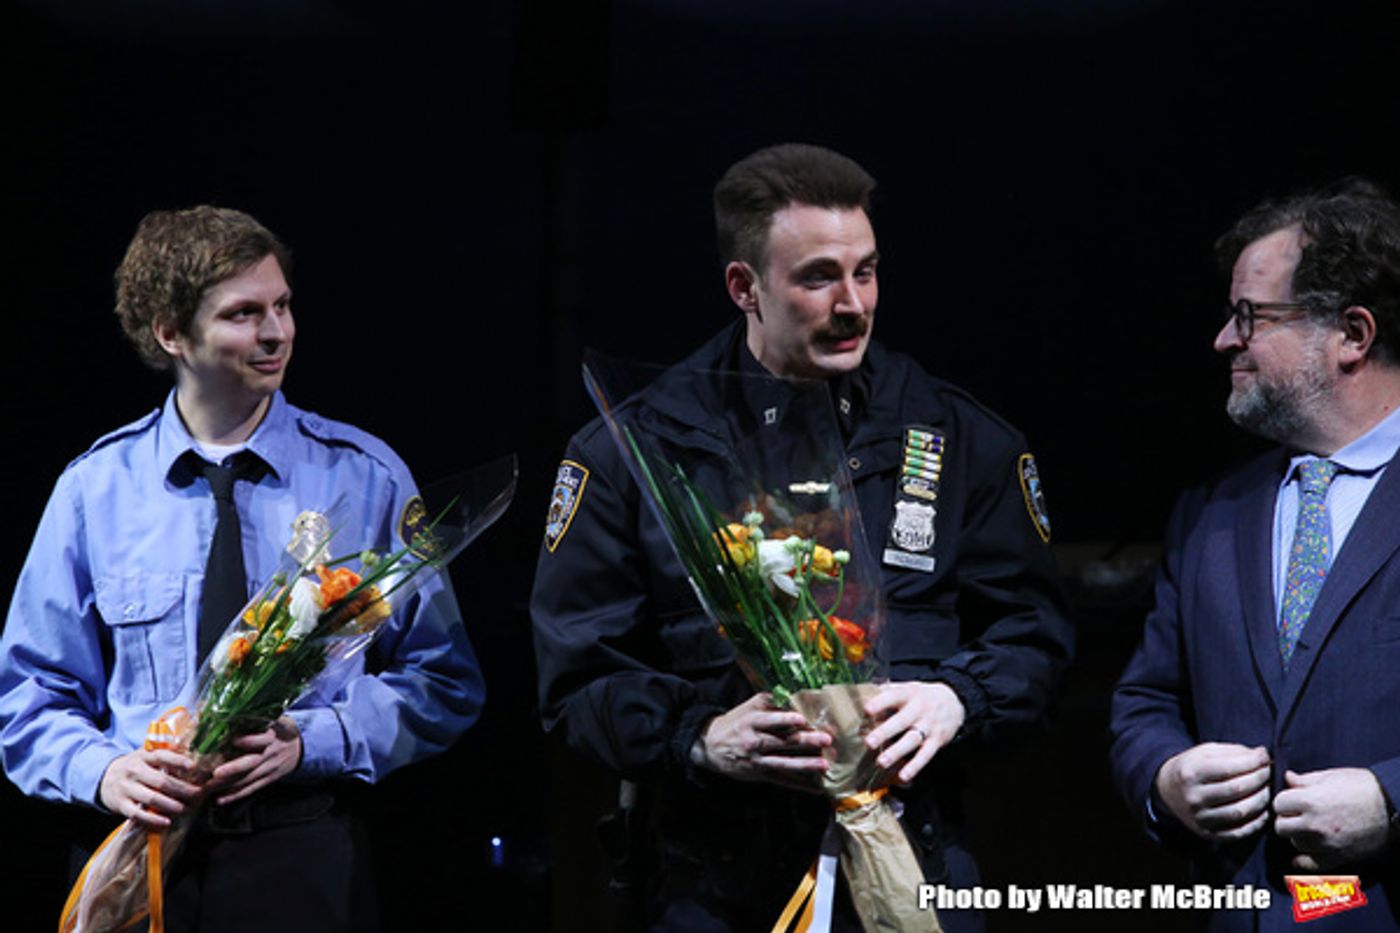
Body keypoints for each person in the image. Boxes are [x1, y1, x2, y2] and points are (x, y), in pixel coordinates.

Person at [531, 143, 1073, 931]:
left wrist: (959, 696)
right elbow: (574, 681)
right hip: (708, 882)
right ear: (743, 287)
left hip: (911, 860)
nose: (853, 302)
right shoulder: (633, 449)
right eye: (818, 276)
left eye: (867, 270)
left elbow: (1038, 638)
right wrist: (701, 737)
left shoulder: (959, 437)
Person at [0, 206, 484, 932]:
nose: (276, 332)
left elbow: (444, 681)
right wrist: (104, 771)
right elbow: (31, 697)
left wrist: (312, 743)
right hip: (140, 859)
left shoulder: (363, 477)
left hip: (300, 854)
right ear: (170, 333)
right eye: (244, 313)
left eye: (283, 305)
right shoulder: (94, 490)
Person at [1110, 179, 1400, 930]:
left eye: (1251, 317)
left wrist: (1392, 799)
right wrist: (1166, 776)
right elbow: (1146, 702)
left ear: (1352, 334)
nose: (1224, 340)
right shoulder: (1210, 513)